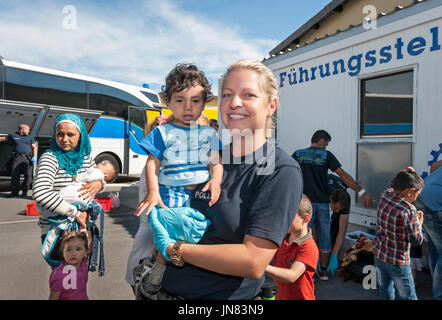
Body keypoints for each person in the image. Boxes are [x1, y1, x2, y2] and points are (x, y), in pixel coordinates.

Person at [146, 59, 303, 300]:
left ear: (271, 105)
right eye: (227, 94)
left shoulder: (278, 169)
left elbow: (253, 262)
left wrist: (173, 248)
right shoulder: (210, 156)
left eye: (248, 95)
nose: (234, 103)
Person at [292, 129, 373, 280]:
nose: (326, 147)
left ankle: (308, 271)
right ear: (322, 141)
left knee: (305, 237)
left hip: (304, 203)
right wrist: (361, 192)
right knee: (324, 238)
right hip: (322, 203)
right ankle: (323, 271)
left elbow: (290, 175)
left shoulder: (297, 154)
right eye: (326, 144)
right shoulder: (326, 155)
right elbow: (344, 175)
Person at [33, 113, 105, 269]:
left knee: (79, 281)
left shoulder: (86, 158)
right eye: (60, 134)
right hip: (58, 232)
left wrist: (99, 184)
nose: (64, 139)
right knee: (65, 284)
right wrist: (76, 213)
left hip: (81, 232)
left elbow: (92, 180)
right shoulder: (50, 157)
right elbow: (40, 193)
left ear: (81, 136)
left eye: (70, 134)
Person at [372, 168, 424, 300]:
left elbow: (393, 183)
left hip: (379, 254)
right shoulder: (408, 210)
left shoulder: (386, 194)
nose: (416, 198)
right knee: (407, 296)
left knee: (385, 290)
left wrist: (404, 172)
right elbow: (416, 240)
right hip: (397, 261)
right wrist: (419, 223)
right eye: (417, 194)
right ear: (410, 191)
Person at [265, 194, 319, 300]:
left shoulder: (308, 247)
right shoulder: (283, 239)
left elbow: (292, 276)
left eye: (288, 216)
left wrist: (261, 266)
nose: (283, 220)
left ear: (305, 219)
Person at [414, 160, 442, 300]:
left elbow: (435, 165)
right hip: (433, 204)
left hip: (420, 197)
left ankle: (436, 285)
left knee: (435, 248)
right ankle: (439, 294)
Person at [48, 230, 91, 300]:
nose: (73, 253)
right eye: (68, 249)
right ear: (63, 252)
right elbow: (53, 297)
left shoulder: (84, 264)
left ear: (85, 252)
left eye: (78, 249)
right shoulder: (58, 275)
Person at [0, 124, 38, 197]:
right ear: (22, 130)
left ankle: (24, 192)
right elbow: (3, 138)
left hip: (28, 158)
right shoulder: (13, 135)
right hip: (17, 158)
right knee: (15, 175)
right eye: (28, 129)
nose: (29, 131)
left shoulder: (30, 137)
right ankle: (14, 192)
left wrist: (35, 156)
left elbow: (34, 147)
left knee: (28, 176)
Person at [327, 188, 351, 275]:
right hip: (319, 196)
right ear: (331, 199)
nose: (337, 211)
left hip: (338, 197)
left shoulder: (344, 201)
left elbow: (342, 232)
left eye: (339, 209)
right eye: (336, 208)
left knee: (335, 230)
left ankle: (330, 256)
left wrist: (334, 255)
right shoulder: (323, 194)